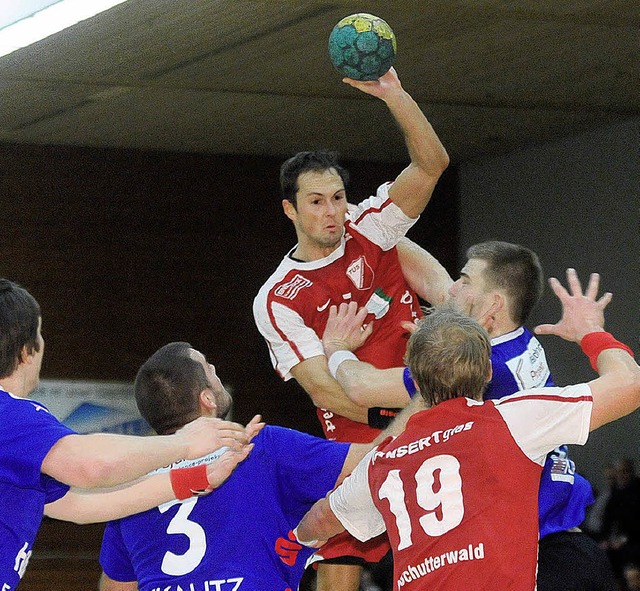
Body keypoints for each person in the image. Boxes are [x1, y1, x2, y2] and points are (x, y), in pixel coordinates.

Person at [295, 268, 640, 591]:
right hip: (551, 559)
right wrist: (591, 331)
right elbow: (630, 385)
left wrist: (297, 536)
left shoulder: (382, 462)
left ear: (413, 380)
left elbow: (323, 519)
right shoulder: (512, 419)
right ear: (489, 373)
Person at [253, 66, 449, 590]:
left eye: (338, 197)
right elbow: (326, 392)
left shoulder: (371, 225)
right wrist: (406, 417)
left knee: (448, 551)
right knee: (338, 563)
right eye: (317, 202)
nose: (333, 212)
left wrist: (396, 96)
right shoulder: (276, 299)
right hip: (364, 438)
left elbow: (431, 165)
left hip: (433, 416)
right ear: (290, 209)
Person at [0, 278, 257, 590]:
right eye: (41, 334)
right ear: (27, 351)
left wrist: (196, 478)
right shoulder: (10, 412)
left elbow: (79, 506)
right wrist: (185, 442)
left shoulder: (12, 436)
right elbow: (90, 466)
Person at [97, 341, 411, 591]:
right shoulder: (259, 447)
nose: (216, 370)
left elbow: (116, 586)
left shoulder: (132, 489)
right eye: (210, 368)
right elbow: (379, 457)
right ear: (207, 399)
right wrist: (426, 392)